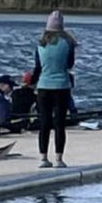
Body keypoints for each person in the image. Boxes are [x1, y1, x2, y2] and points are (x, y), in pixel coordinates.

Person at [32, 11, 77, 168]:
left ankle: (43, 158)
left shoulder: (40, 45)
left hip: (43, 86)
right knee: (59, 124)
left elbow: (37, 67)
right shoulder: (68, 43)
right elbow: (70, 64)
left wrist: (32, 82)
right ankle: (59, 159)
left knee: (44, 123)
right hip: (62, 87)